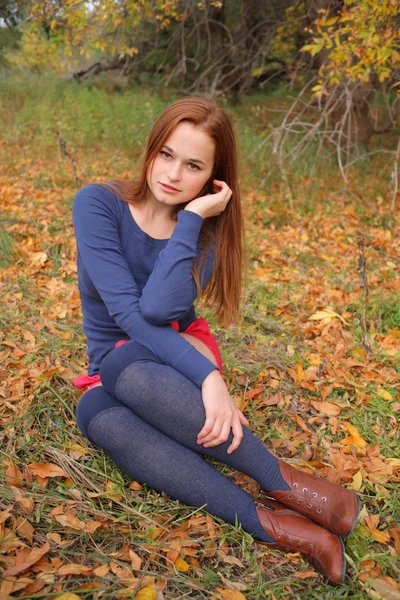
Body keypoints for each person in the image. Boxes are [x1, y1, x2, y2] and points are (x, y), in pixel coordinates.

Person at [72, 97, 360, 585]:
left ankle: (283, 483)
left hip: (178, 348)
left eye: (193, 166)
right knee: (97, 413)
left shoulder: (203, 234)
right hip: (124, 361)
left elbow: (161, 312)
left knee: (128, 369)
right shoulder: (98, 203)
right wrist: (210, 380)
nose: (172, 174)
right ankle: (275, 525)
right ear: (150, 150)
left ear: (213, 179)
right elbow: (127, 314)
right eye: (166, 154)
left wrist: (190, 220)